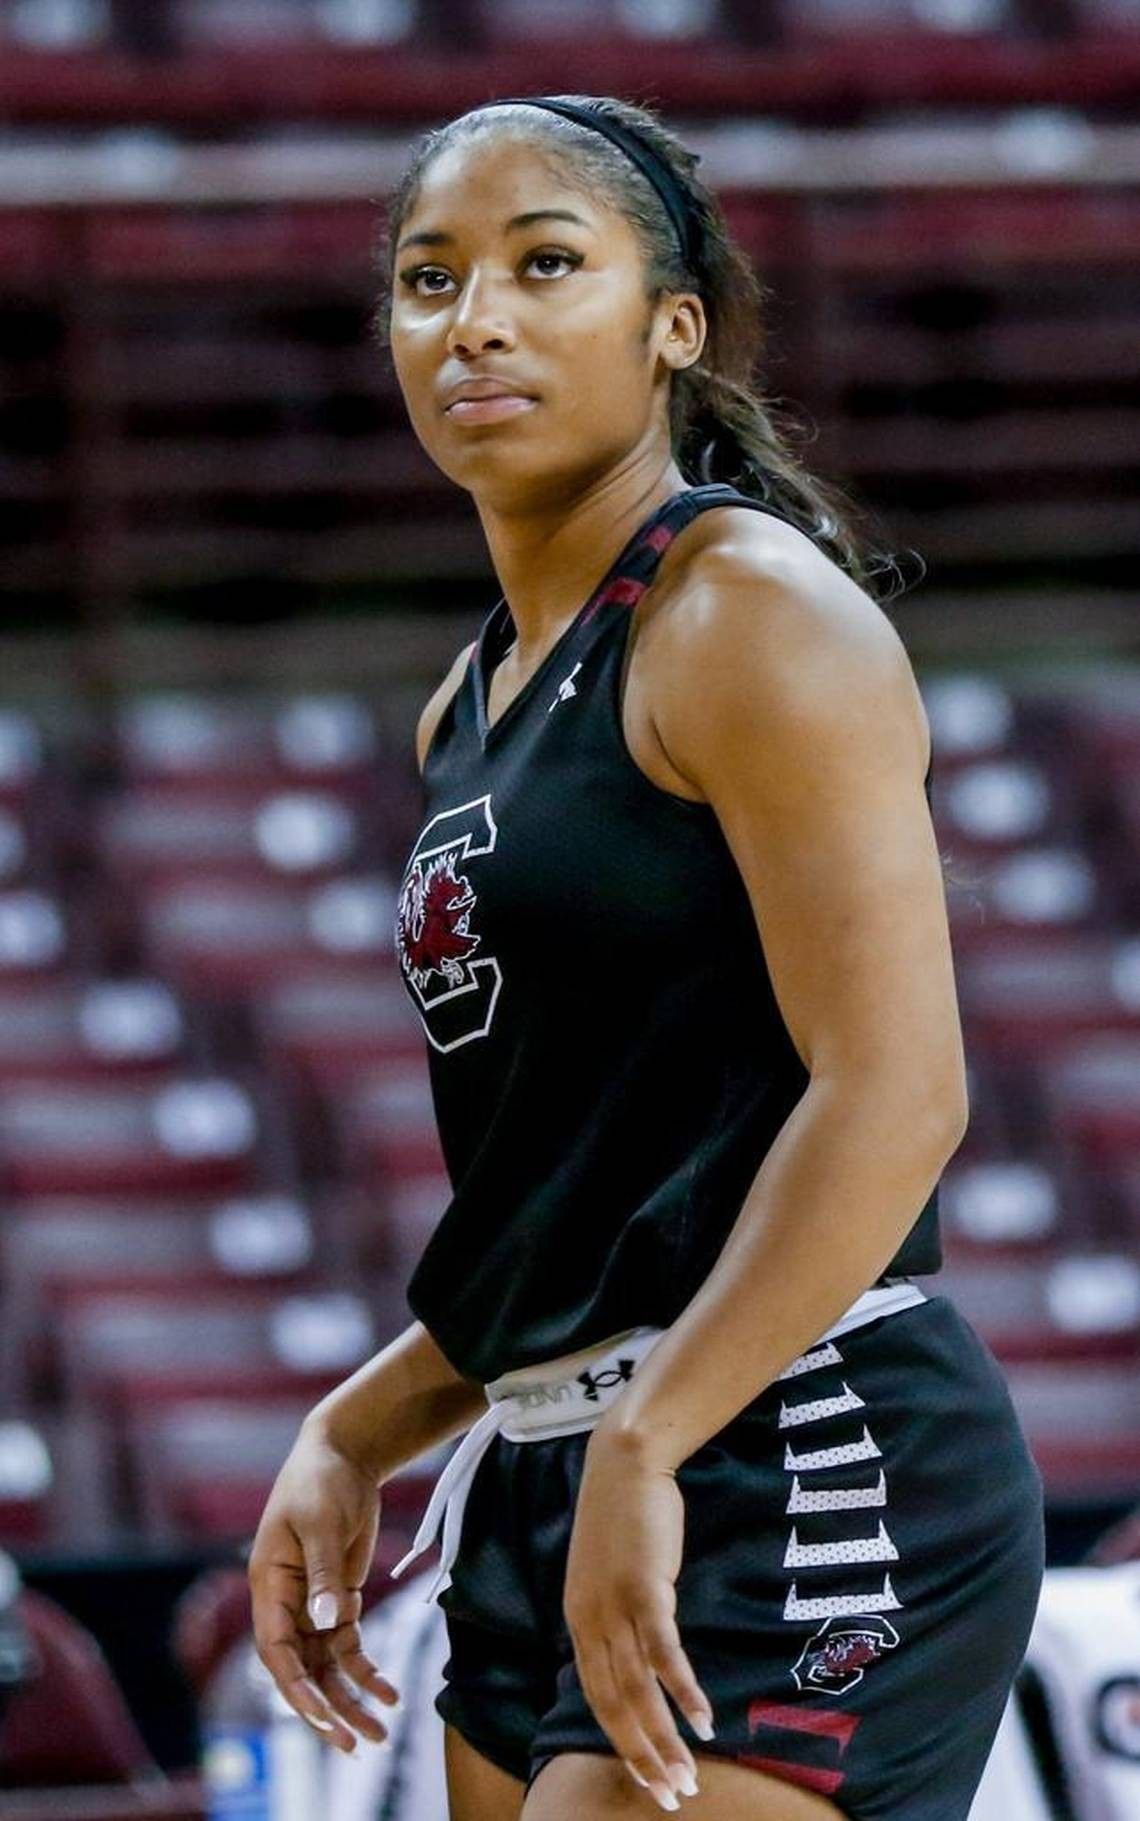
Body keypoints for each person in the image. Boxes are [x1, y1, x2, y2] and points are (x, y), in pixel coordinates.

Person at [248, 94, 1046, 1821]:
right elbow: (587, 1190)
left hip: (790, 1429)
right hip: (560, 1457)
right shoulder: (463, 707)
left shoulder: (744, 615)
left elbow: (898, 1095)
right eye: (427, 278)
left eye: (547, 267)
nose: (477, 320)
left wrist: (653, 1432)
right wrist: (358, 1425)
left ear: (671, 326)